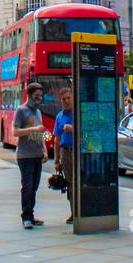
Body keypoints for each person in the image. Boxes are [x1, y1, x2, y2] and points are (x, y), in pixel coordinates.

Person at [14, 82, 48, 229]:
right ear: (29, 95)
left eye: (41, 96)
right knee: (27, 186)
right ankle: (26, 217)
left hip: (37, 154)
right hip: (24, 155)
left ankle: (31, 215)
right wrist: (33, 128)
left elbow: (40, 134)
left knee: (34, 187)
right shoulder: (21, 110)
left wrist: (45, 150)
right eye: (36, 96)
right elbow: (15, 132)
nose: (39, 99)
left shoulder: (38, 112)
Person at [53, 85, 76, 224]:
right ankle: (74, 213)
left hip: (78, 151)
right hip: (65, 151)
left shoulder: (79, 112)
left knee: (80, 182)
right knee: (70, 183)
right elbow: (56, 139)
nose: (66, 101)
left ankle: (82, 211)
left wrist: (72, 129)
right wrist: (56, 160)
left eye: (68, 98)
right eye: (63, 99)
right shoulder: (59, 116)